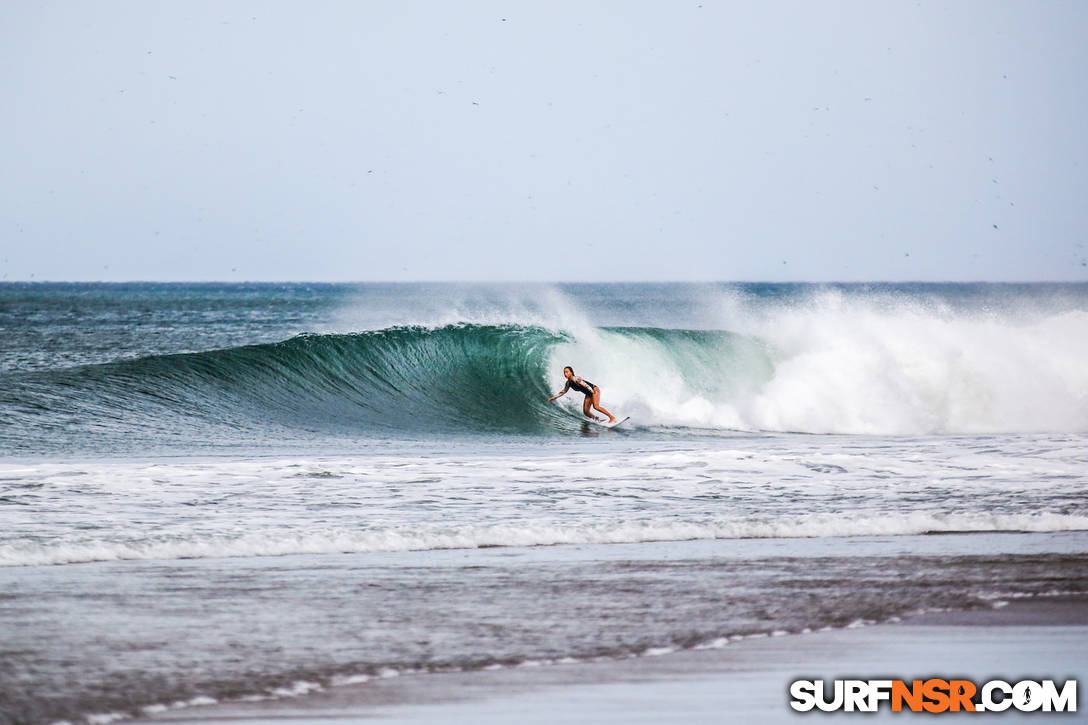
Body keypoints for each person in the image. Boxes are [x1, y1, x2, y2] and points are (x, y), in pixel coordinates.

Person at [547, 366, 616, 423]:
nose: (565, 374)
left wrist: (592, 392)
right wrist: (553, 397)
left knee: (596, 406)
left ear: (571, 372)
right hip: (588, 394)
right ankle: (598, 420)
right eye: (564, 372)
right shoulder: (568, 383)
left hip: (594, 390)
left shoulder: (576, 379)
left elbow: (585, 385)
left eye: (567, 372)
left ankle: (612, 417)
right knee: (586, 412)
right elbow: (563, 391)